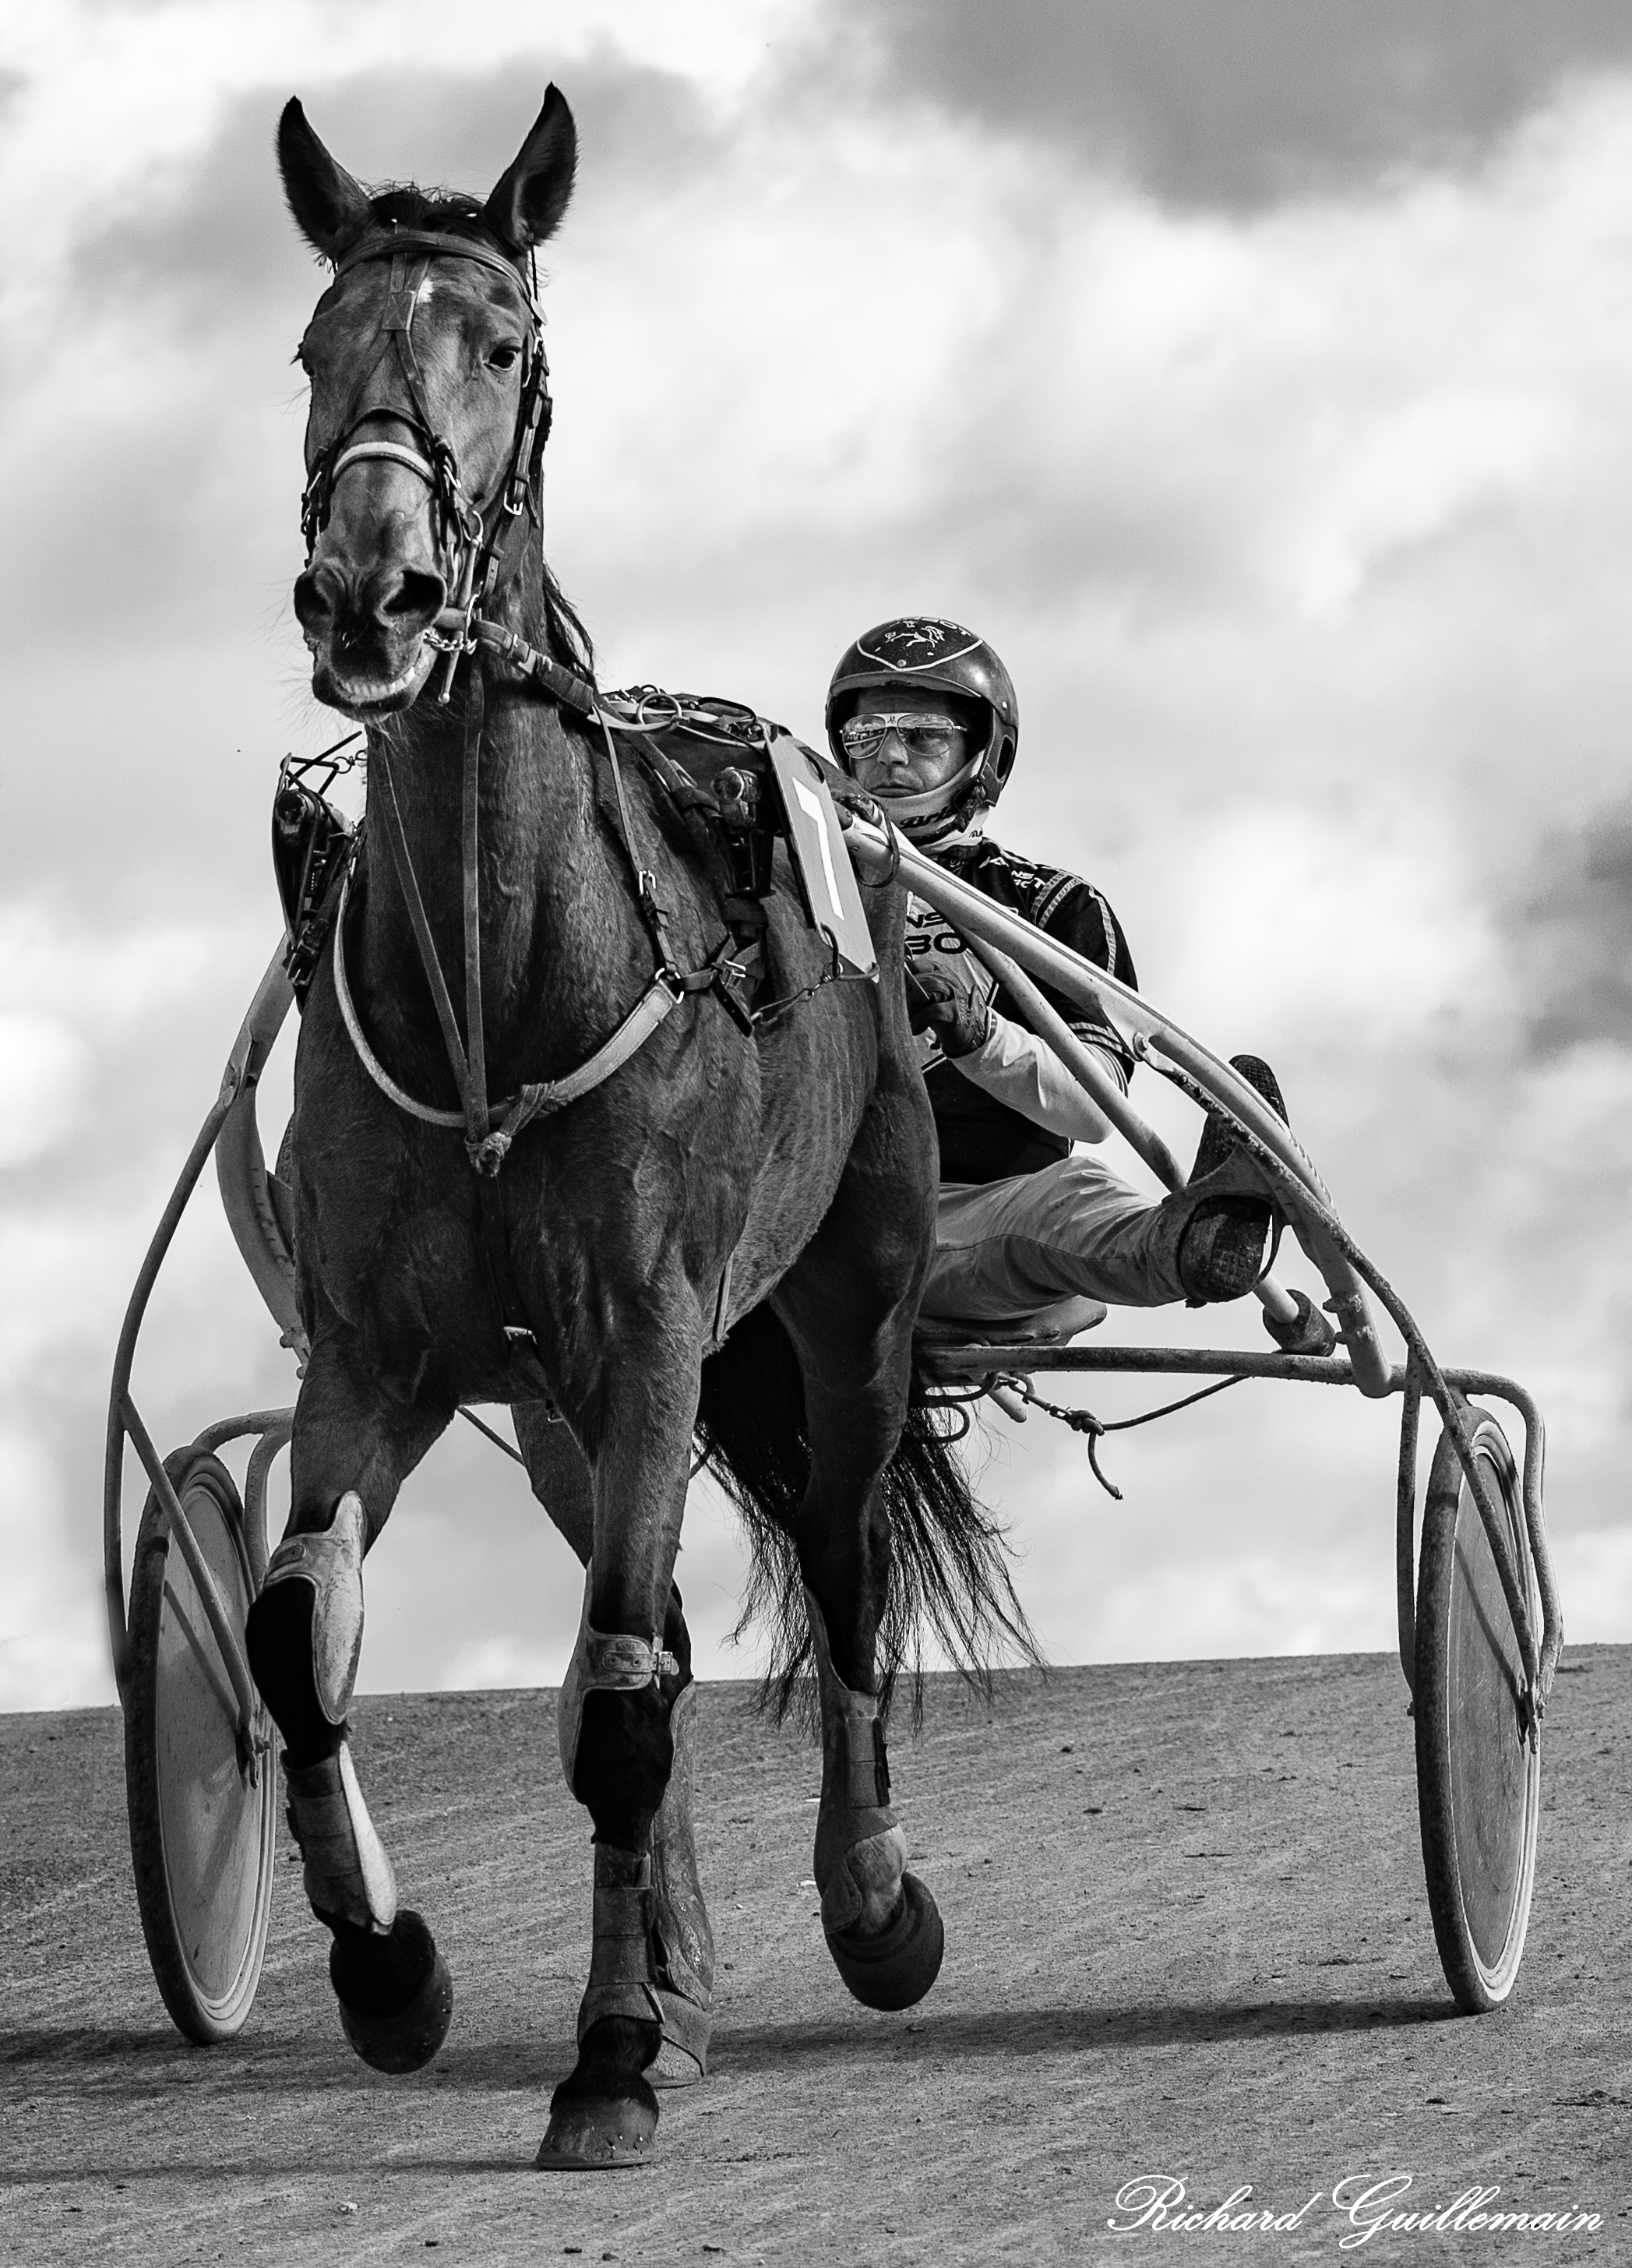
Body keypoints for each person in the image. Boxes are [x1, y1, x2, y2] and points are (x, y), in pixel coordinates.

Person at [826, 615, 1298, 1339]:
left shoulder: (1050, 904)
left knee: (1070, 1196)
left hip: (967, 1212)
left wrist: (980, 1035)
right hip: (804, 1201)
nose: (888, 755)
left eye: (921, 734)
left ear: (982, 753)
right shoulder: (792, 882)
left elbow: (1091, 1109)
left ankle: (1195, 1239)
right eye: (866, 735)